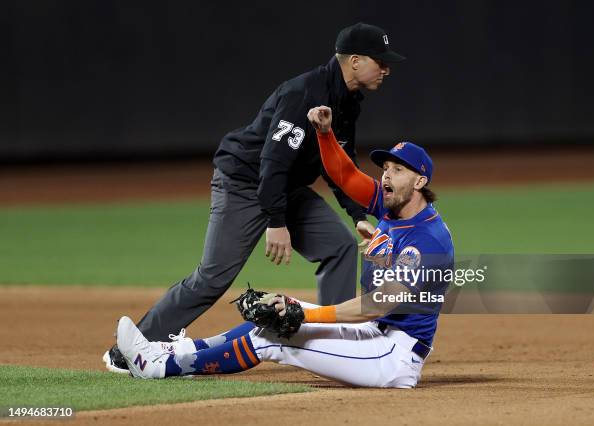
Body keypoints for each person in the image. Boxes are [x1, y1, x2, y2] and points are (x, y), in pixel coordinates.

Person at [103, 23, 406, 373]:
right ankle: (128, 351)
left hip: (283, 187)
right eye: (379, 61)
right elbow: (272, 162)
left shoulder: (347, 102)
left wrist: (357, 215)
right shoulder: (305, 93)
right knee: (213, 277)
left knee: (339, 246)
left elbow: (338, 166)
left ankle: (331, 342)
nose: (386, 68)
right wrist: (276, 222)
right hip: (245, 183)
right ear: (354, 61)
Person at [113, 106, 454, 388]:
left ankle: (159, 368)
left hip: (392, 355)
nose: (386, 176)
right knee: (271, 316)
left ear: (420, 182)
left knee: (272, 336)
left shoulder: (428, 239)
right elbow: (345, 175)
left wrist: (307, 314)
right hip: (374, 333)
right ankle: (168, 350)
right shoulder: (391, 207)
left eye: (398, 170)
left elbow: (376, 306)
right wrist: (324, 134)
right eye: (385, 168)